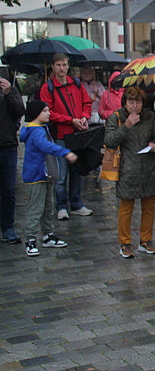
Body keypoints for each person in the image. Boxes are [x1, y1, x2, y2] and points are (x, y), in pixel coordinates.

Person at [104, 87, 155, 259]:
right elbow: (109, 141)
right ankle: (125, 243)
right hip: (127, 168)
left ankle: (146, 240)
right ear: (125, 103)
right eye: (131, 102)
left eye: (138, 102)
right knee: (126, 207)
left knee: (149, 206)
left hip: (149, 167)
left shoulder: (149, 116)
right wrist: (127, 126)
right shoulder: (116, 118)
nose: (135, 106)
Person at [18, 100, 77, 257]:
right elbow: (44, 146)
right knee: (36, 208)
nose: (48, 113)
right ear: (36, 114)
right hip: (36, 175)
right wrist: (65, 152)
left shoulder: (40, 128)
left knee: (47, 206)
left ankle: (47, 235)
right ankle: (31, 240)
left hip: (45, 174)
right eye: (45, 111)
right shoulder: (36, 131)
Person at [39, 53, 92, 220]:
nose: (61, 68)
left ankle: (76, 203)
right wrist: (71, 120)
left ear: (68, 66)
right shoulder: (47, 87)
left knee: (77, 171)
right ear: (53, 67)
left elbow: (86, 103)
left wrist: (84, 117)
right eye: (58, 65)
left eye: (64, 65)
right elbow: (49, 113)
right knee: (61, 174)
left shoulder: (76, 83)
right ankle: (61, 205)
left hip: (77, 135)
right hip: (61, 135)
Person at [0, 71, 25, 244]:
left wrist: (8, 94)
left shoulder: (11, 90)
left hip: (7, 145)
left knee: (8, 190)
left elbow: (19, 112)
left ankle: (8, 227)